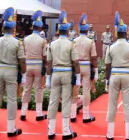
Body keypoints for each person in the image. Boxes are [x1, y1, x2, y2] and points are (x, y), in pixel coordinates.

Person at [0, 7, 26, 137]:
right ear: (13, 28)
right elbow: (22, 61)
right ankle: (11, 129)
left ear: (3, 28)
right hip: (11, 70)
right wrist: (24, 75)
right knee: (11, 100)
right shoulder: (17, 43)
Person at [104, 12, 129, 140]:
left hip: (114, 74)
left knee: (112, 103)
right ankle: (128, 134)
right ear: (126, 33)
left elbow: (107, 66)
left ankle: (110, 133)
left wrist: (106, 80)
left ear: (117, 33)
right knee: (127, 105)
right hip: (127, 75)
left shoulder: (111, 47)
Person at [45, 11, 79, 139]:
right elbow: (75, 62)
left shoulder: (52, 44)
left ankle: (51, 130)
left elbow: (48, 63)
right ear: (68, 31)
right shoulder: (71, 44)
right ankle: (65, 131)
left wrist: (48, 79)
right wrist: (79, 78)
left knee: (53, 101)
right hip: (67, 72)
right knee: (66, 101)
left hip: (55, 72)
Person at [21, 11, 48, 121]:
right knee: (39, 89)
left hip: (28, 65)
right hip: (38, 66)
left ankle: (23, 112)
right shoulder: (42, 41)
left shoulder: (25, 39)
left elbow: (22, 54)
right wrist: (45, 67)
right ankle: (38, 113)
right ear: (40, 27)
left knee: (26, 89)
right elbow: (45, 56)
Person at [71, 13, 98, 123]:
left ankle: (72, 114)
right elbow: (94, 58)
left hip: (76, 66)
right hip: (86, 66)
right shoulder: (90, 41)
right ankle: (86, 115)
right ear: (87, 31)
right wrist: (96, 72)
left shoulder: (74, 41)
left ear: (78, 30)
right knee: (86, 90)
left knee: (75, 89)